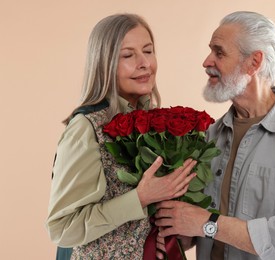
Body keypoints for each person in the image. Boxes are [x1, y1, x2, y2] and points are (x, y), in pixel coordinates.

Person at [155, 11, 275, 260]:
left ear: (254, 62)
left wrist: (208, 223)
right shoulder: (211, 136)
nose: (207, 62)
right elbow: (199, 226)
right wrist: (179, 233)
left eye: (219, 52)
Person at [45, 13, 197, 259]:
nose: (144, 63)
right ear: (104, 65)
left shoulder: (153, 123)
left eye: (148, 51)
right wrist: (141, 197)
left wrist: (156, 236)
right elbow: (62, 227)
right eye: (128, 55)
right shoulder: (86, 128)